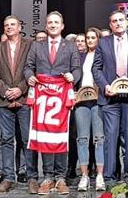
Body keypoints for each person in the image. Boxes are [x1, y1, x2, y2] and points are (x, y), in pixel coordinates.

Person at [24, 11, 81, 195]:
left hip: (61, 98)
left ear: (62, 26)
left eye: (56, 22)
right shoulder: (36, 46)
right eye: (50, 22)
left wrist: (74, 76)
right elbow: (28, 67)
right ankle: (48, 177)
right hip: (42, 98)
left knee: (62, 135)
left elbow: (77, 68)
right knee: (45, 136)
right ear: (46, 25)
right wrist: (30, 77)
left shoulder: (70, 46)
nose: (53, 25)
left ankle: (61, 177)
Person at [93, 11, 128, 185]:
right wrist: (105, 86)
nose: (118, 23)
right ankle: (109, 177)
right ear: (110, 25)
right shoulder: (103, 42)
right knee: (110, 138)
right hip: (111, 99)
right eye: (114, 21)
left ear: (127, 23)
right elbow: (96, 69)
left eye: (121, 20)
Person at [0, 15, 33, 194]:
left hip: (24, 99)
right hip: (3, 100)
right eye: (6, 25)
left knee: (27, 139)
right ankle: (8, 178)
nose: (9, 27)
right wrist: (7, 91)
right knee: (6, 140)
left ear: (19, 26)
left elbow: (33, 69)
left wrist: (20, 89)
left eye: (12, 24)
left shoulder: (30, 45)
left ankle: (31, 177)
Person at [74, 27, 106, 191]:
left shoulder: (105, 56)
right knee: (82, 139)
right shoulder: (80, 56)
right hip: (82, 100)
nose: (90, 40)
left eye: (93, 37)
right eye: (88, 38)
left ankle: (100, 176)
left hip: (99, 101)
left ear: (99, 39)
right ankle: (84, 176)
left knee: (99, 138)